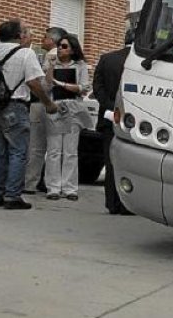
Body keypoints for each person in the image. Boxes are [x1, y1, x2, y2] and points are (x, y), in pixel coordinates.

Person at [0, 20, 58, 209]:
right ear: (19, 35)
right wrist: (47, 103)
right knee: (18, 152)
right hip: (15, 106)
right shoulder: (25, 53)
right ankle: (12, 196)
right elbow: (33, 82)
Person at [44, 34, 90, 200]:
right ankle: (53, 187)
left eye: (64, 46)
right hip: (55, 107)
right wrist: (50, 66)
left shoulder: (80, 66)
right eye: (59, 46)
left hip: (73, 108)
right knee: (54, 150)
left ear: (72, 49)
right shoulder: (52, 64)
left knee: (70, 151)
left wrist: (61, 84)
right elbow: (45, 86)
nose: (61, 49)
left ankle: (70, 187)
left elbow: (83, 88)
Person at [25, 26, 66, 193]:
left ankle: (30, 183)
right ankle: (51, 184)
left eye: (45, 37)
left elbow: (43, 83)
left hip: (42, 103)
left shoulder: (51, 55)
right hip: (54, 103)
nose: (42, 40)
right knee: (54, 148)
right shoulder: (63, 56)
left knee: (36, 147)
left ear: (53, 40)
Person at [93, 36, 132, 215]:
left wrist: (110, 107)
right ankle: (126, 204)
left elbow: (97, 88)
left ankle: (111, 202)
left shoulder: (106, 58)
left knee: (110, 161)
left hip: (108, 117)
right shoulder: (139, 62)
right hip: (131, 120)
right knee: (129, 162)